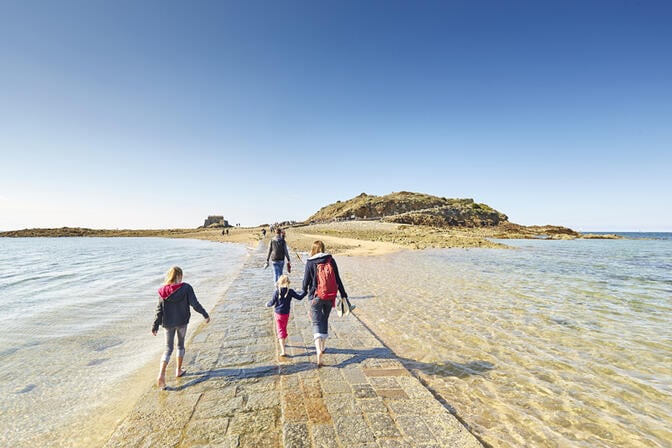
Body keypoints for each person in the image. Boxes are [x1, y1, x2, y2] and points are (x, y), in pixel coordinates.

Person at [152, 266, 210, 390]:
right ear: (179, 276)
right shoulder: (186, 288)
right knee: (180, 345)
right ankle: (178, 370)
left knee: (168, 349)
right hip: (182, 322)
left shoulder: (162, 291)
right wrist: (205, 314)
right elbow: (195, 304)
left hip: (167, 324)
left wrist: (155, 325)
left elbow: (159, 310)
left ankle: (161, 374)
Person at [302, 240, 348, 366]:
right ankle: (323, 347)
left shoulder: (310, 262)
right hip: (330, 296)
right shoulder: (330, 260)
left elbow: (305, 282)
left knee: (316, 322)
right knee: (324, 319)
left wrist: (302, 293)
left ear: (313, 249)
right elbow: (338, 279)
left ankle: (318, 350)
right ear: (323, 248)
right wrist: (343, 294)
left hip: (315, 297)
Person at [266, 275, 306, 357]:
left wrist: (267, 304)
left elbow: (272, 302)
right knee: (283, 328)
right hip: (286, 314)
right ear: (288, 283)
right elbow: (299, 297)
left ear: (279, 283)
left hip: (278, 314)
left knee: (280, 330)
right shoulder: (290, 291)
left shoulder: (277, 292)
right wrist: (305, 291)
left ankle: (283, 350)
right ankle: (283, 339)